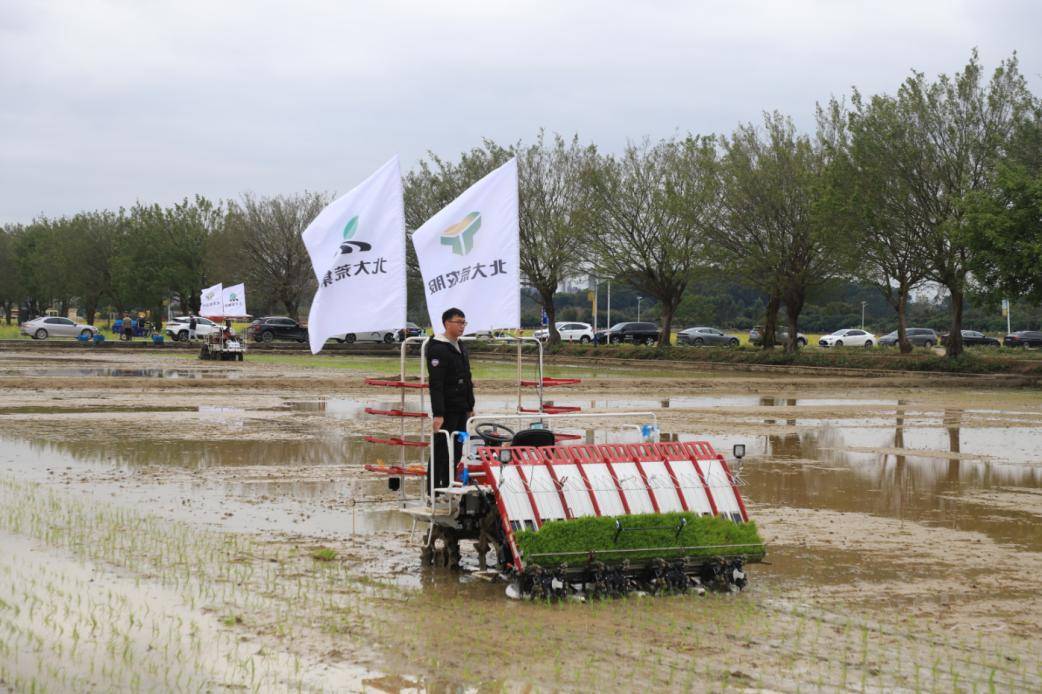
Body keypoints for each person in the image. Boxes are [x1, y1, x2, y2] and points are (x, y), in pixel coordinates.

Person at [426, 307, 475, 491]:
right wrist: (438, 414)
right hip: (446, 410)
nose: (462, 326)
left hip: (461, 408)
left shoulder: (460, 346)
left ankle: (448, 486)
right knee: (441, 450)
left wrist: (470, 406)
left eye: (464, 322)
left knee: (456, 450)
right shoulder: (438, 348)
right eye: (458, 322)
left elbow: (467, 378)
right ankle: (434, 490)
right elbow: (436, 384)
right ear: (447, 323)